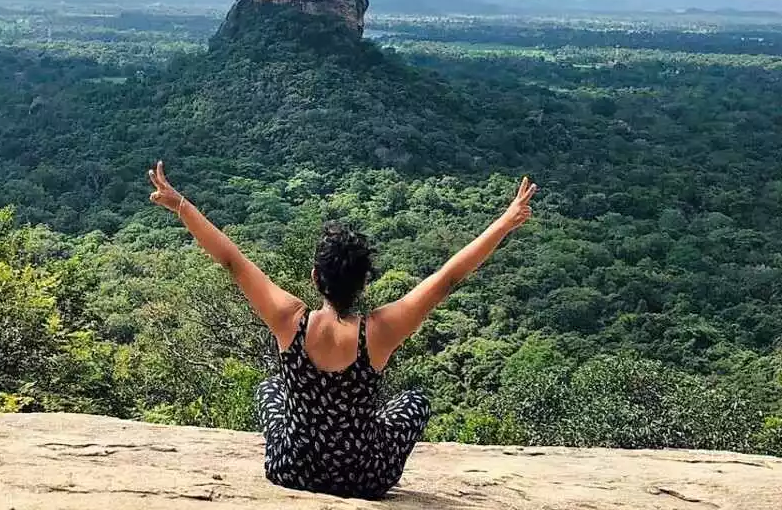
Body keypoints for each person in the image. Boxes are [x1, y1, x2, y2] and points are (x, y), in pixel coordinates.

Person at [148, 161, 538, 499]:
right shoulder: (379, 332)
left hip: (293, 468)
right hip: (364, 476)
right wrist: (505, 221)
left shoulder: (289, 320)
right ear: (363, 283)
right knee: (414, 402)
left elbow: (232, 260)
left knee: (269, 389)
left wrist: (181, 205)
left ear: (316, 277)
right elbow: (448, 276)